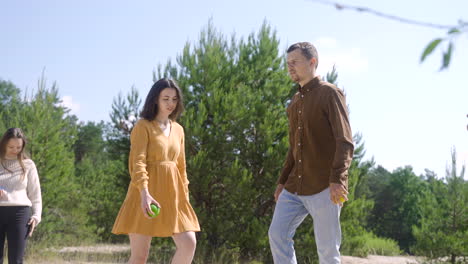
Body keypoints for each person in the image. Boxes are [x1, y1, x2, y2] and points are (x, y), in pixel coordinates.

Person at [268, 42, 354, 264]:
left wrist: (338, 179)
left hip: (325, 186)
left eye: (295, 62)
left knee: (327, 251)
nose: (290, 68)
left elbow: (344, 141)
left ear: (312, 62)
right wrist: (281, 182)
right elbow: (293, 148)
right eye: (288, 64)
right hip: (294, 187)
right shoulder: (295, 102)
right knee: (277, 234)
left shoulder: (330, 93)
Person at [112, 78, 200, 264]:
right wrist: (144, 193)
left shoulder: (178, 130)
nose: (170, 104)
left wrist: (184, 194)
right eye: (165, 98)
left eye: (174, 99)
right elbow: (138, 162)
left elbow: (181, 166)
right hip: (145, 194)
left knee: (189, 244)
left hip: (173, 195)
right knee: (139, 257)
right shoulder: (143, 126)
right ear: (155, 100)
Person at [0, 128, 42, 264]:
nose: (15, 150)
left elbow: (35, 195)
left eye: (18, 147)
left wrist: (36, 216)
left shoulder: (28, 164)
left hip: (20, 213)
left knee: (16, 260)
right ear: (4, 144)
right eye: (11, 146)